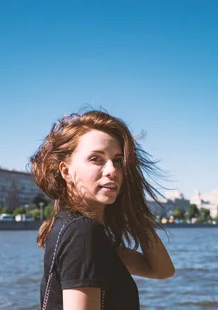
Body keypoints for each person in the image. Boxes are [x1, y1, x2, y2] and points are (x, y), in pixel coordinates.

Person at [30, 110, 175, 310]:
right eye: (96, 159)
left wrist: (133, 211)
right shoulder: (82, 234)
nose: (112, 171)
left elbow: (162, 270)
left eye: (117, 160)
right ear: (66, 171)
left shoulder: (85, 232)